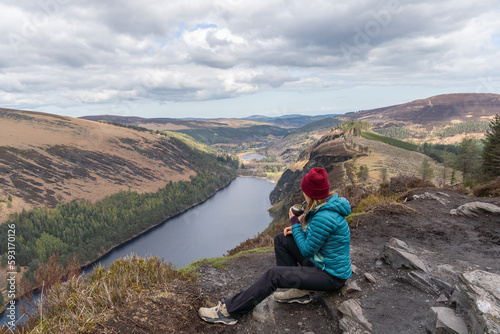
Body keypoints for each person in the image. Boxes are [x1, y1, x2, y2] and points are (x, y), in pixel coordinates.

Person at [198, 167, 352, 325]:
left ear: (310, 192)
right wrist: (300, 231)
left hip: (331, 276)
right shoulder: (324, 208)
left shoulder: (324, 216)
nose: (302, 192)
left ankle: (229, 312)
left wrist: (295, 222)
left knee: (274, 275)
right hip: (324, 264)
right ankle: (299, 291)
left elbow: (307, 250)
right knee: (281, 239)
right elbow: (319, 240)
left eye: (304, 189)